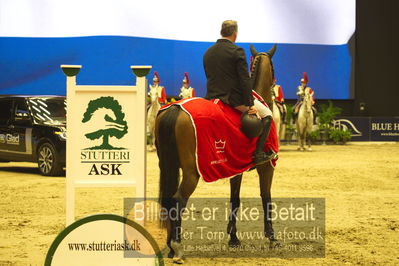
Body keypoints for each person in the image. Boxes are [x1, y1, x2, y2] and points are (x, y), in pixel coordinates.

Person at [203, 20, 276, 165]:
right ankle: (258, 154)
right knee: (268, 115)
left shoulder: (208, 53)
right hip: (232, 99)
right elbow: (244, 81)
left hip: (211, 97)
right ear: (235, 34)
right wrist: (249, 105)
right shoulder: (237, 51)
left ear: (221, 32)